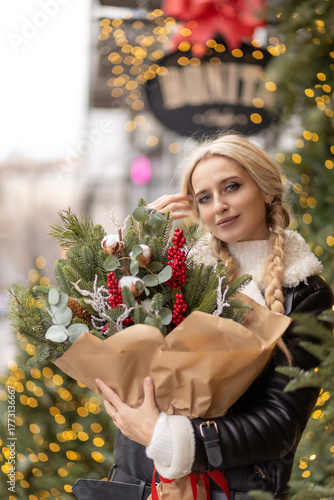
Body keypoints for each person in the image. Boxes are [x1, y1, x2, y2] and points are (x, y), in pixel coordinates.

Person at [95, 133, 333, 499]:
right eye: (205, 198)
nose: (218, 206)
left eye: (232, 187)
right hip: (138, 484)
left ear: (268, 190)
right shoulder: (174, 273)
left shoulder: (305, 294)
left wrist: (167, 437)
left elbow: (281, 425)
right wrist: (135, 259)